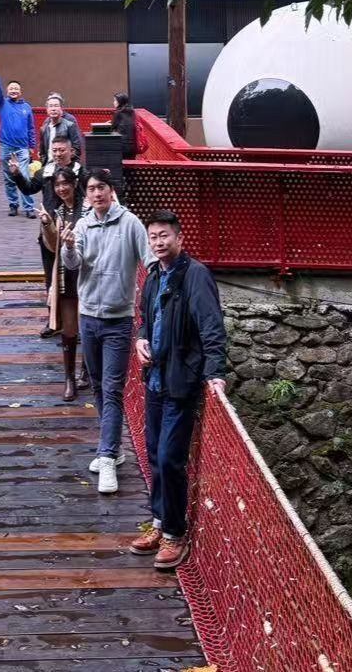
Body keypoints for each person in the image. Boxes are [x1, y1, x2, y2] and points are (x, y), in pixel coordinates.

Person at [130, 211, 227, 571]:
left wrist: (215, 372)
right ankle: (159, 521)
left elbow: (211, 326)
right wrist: (140, 340)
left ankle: (175, 533)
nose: (158, 242)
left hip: (181, 380)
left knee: (171, 457)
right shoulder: (154, 275)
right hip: (154, 378)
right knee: (155, 454)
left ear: (179, 238)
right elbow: (145, 320)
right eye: (153, 237)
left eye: (164, 236)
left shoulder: (195, 275)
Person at [60, 168, 150, 495]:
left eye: (102, 188)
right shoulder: (83, 225)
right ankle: (113, 446)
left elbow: (150, 261)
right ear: (86, 194)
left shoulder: (131, 223)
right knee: (98, 385)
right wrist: (69, 246)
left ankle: (108, 456)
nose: (97, 193)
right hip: (88, 316)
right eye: (91, 189)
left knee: (112, 388)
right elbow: (73, 264)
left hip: (118, 318)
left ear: (112, 190)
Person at [6, 136, 88, 337]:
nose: (58, 154)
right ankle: (54, 321)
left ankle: (78, 325)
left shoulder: (81, 173)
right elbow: (29, 188)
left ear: (71, 151)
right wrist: (16, 174)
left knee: (76, 279)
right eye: (55, 150)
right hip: (49, 230)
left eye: (62, 150)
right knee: (51, 278)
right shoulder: (46, 171)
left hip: (75, 229)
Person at [37, 167, 88, 400]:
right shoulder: (57, 211)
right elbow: (52, 246)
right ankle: (69, 379)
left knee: (88, 326)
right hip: (65, 276)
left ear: (74, 183)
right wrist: (47, 224)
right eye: (57, 185)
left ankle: (86, 371)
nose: (61, 189)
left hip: (87, 273)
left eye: (65, 183)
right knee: (69, 329)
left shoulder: (87, 208)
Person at [0, 58, 36, 218]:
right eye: (11, 88)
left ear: (20, 91)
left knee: (24, 176)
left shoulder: (26, 107)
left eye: (16, 88)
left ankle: (29, 207)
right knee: (9, 177)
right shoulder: (2, 104)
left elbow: (31, 128)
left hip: (22, 148)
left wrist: (32, 146)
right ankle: (13, 205)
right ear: (7, 91)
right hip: (5, 146)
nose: (13, 90)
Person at [39, 93, 84, 164]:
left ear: (61, 109)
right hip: (49, 165)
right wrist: (44, 162)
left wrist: (66, 160)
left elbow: (77, 148)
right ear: (47, 109)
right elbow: (42, 151)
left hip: (66, 165)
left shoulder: (69, 125)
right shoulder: (44, 128)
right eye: (50, 106)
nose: (53, 109)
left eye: (56, 106)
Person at [111, 92, 139, 160]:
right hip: (133, 146)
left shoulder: (118, 113)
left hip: (121, 145)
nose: (113, 102)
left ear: (120, 102)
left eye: (115, 100)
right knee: (130, 164)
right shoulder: (132, 112)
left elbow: (111, 128)